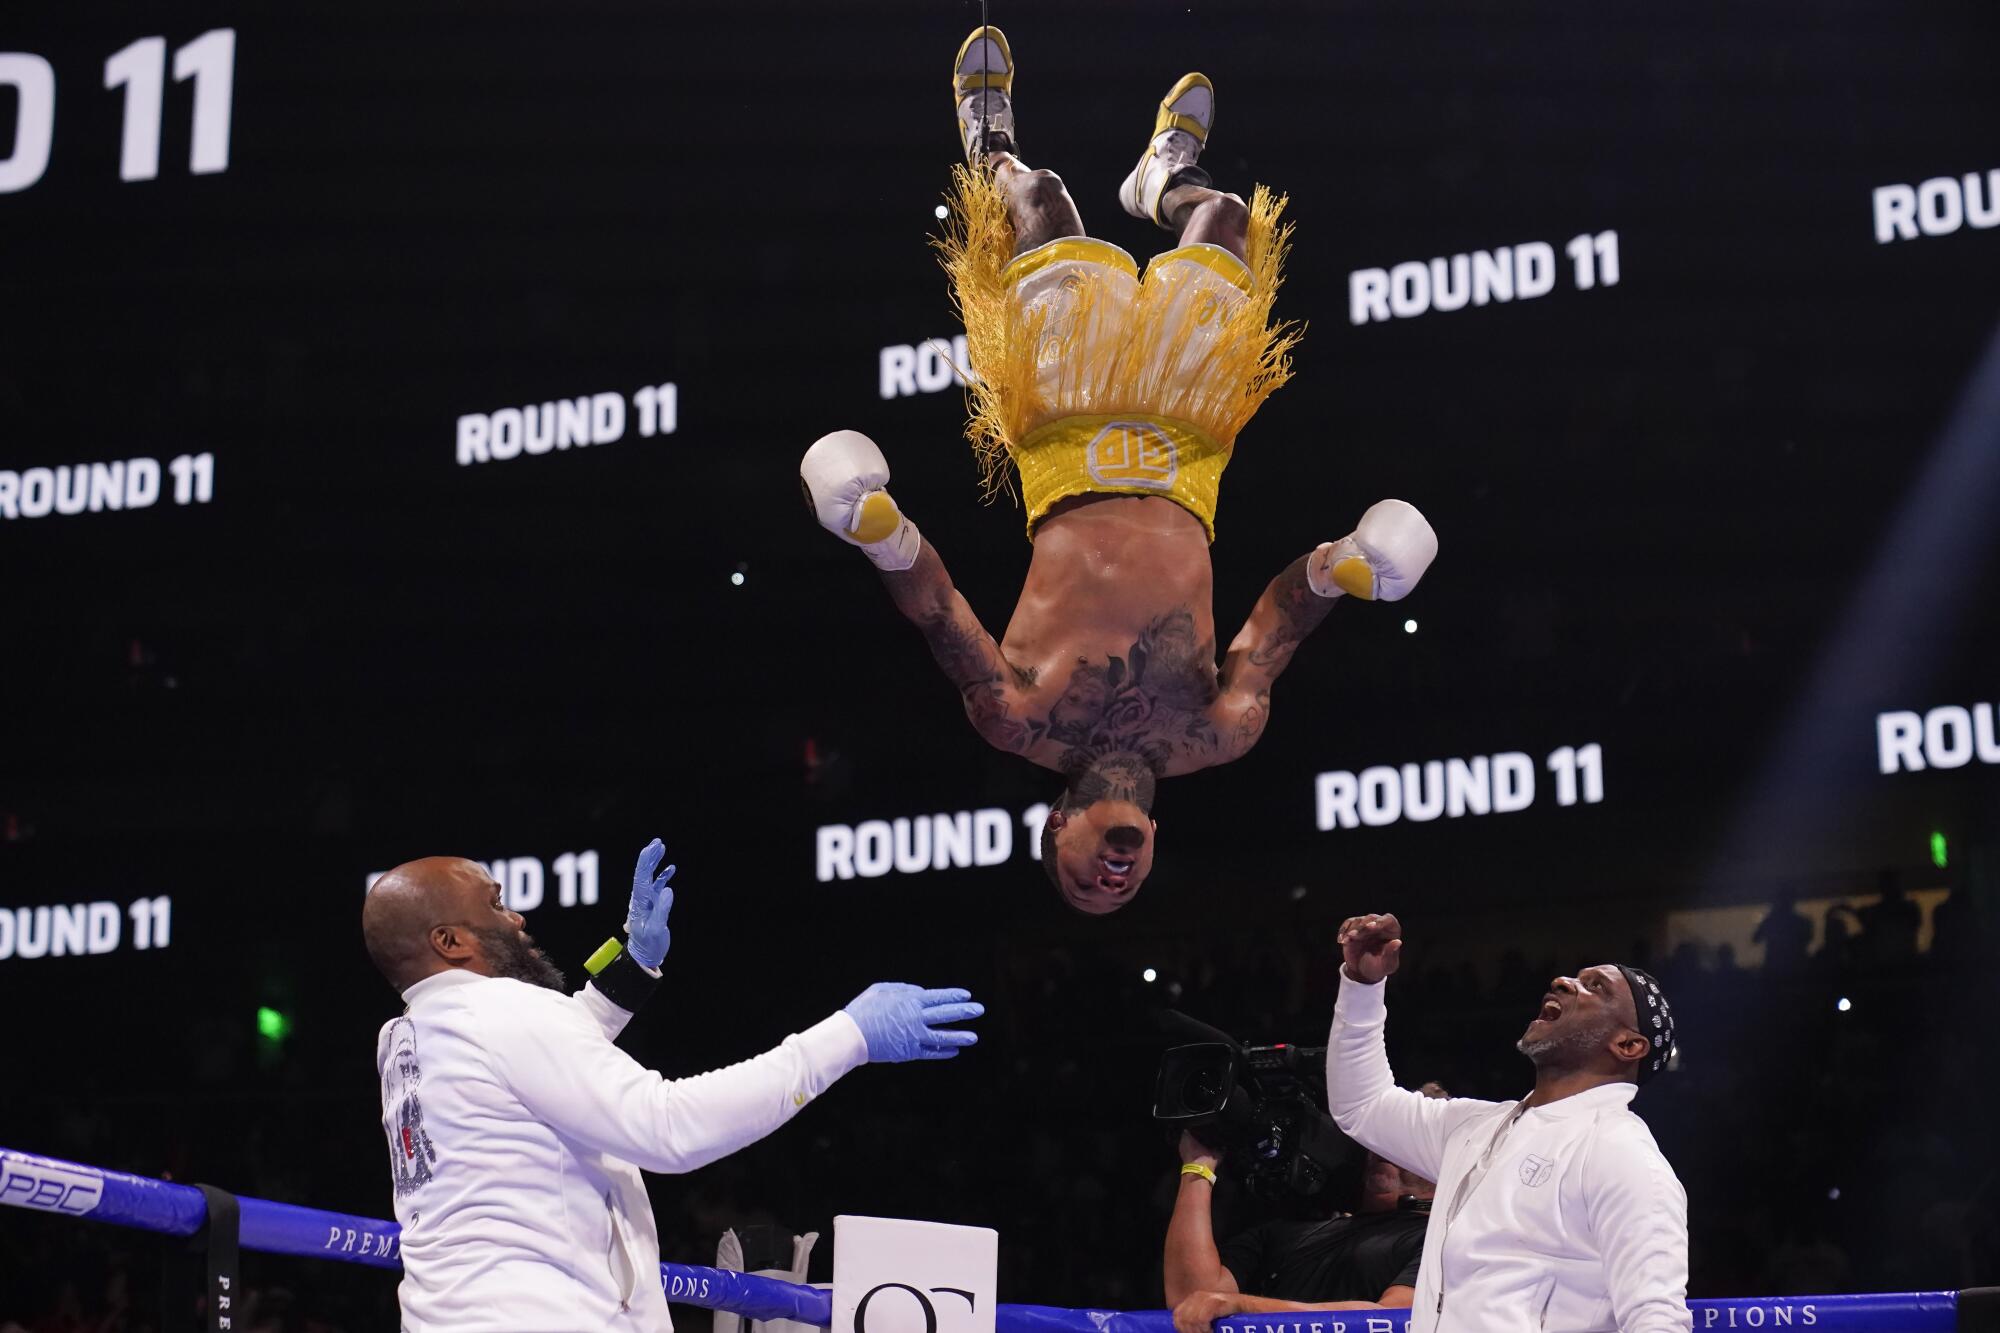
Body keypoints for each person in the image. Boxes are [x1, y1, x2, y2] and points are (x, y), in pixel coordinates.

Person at [800, 26, 1438, 913]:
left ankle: (989, 137)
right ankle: (1163, 182)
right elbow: (1277, 621)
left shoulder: (1016, 720)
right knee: (1227, 223)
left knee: (1045, 203)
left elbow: (941, 612)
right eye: (1123, 888)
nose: (1112, 877)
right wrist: (1346, 564)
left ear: (1054, 829)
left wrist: (881, 533)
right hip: (1189, 446)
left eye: (1082, 882)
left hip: (1067, 431)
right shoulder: (1220, 734)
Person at [362, 840, 983, 1331]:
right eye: (495, 905)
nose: (518, 915)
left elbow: (547, 1061)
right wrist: (847, 1038)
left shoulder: (408, 1037)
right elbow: (669, 1129)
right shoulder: (505, 1011)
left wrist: (632, 966)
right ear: (450, 941)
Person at [1326, 912, 1688, 1333]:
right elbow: (1363, 1105)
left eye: (1595, 987)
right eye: (1575, 976)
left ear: (1627, 1045)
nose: (1563, 982)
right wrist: (1362, 986)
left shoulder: (1621, 1153)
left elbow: (1657, 1320)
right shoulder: (1476, 1128)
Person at [1163, 1111, 1440, 1331]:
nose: (1387, 1147)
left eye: (1407, 1137)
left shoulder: (1444, 1240)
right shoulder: (1287, 1231)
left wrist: (1246, 1306)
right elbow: (1192, 1305)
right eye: (1384, 1135)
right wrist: (1198, 1166)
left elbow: (1390, 1322)